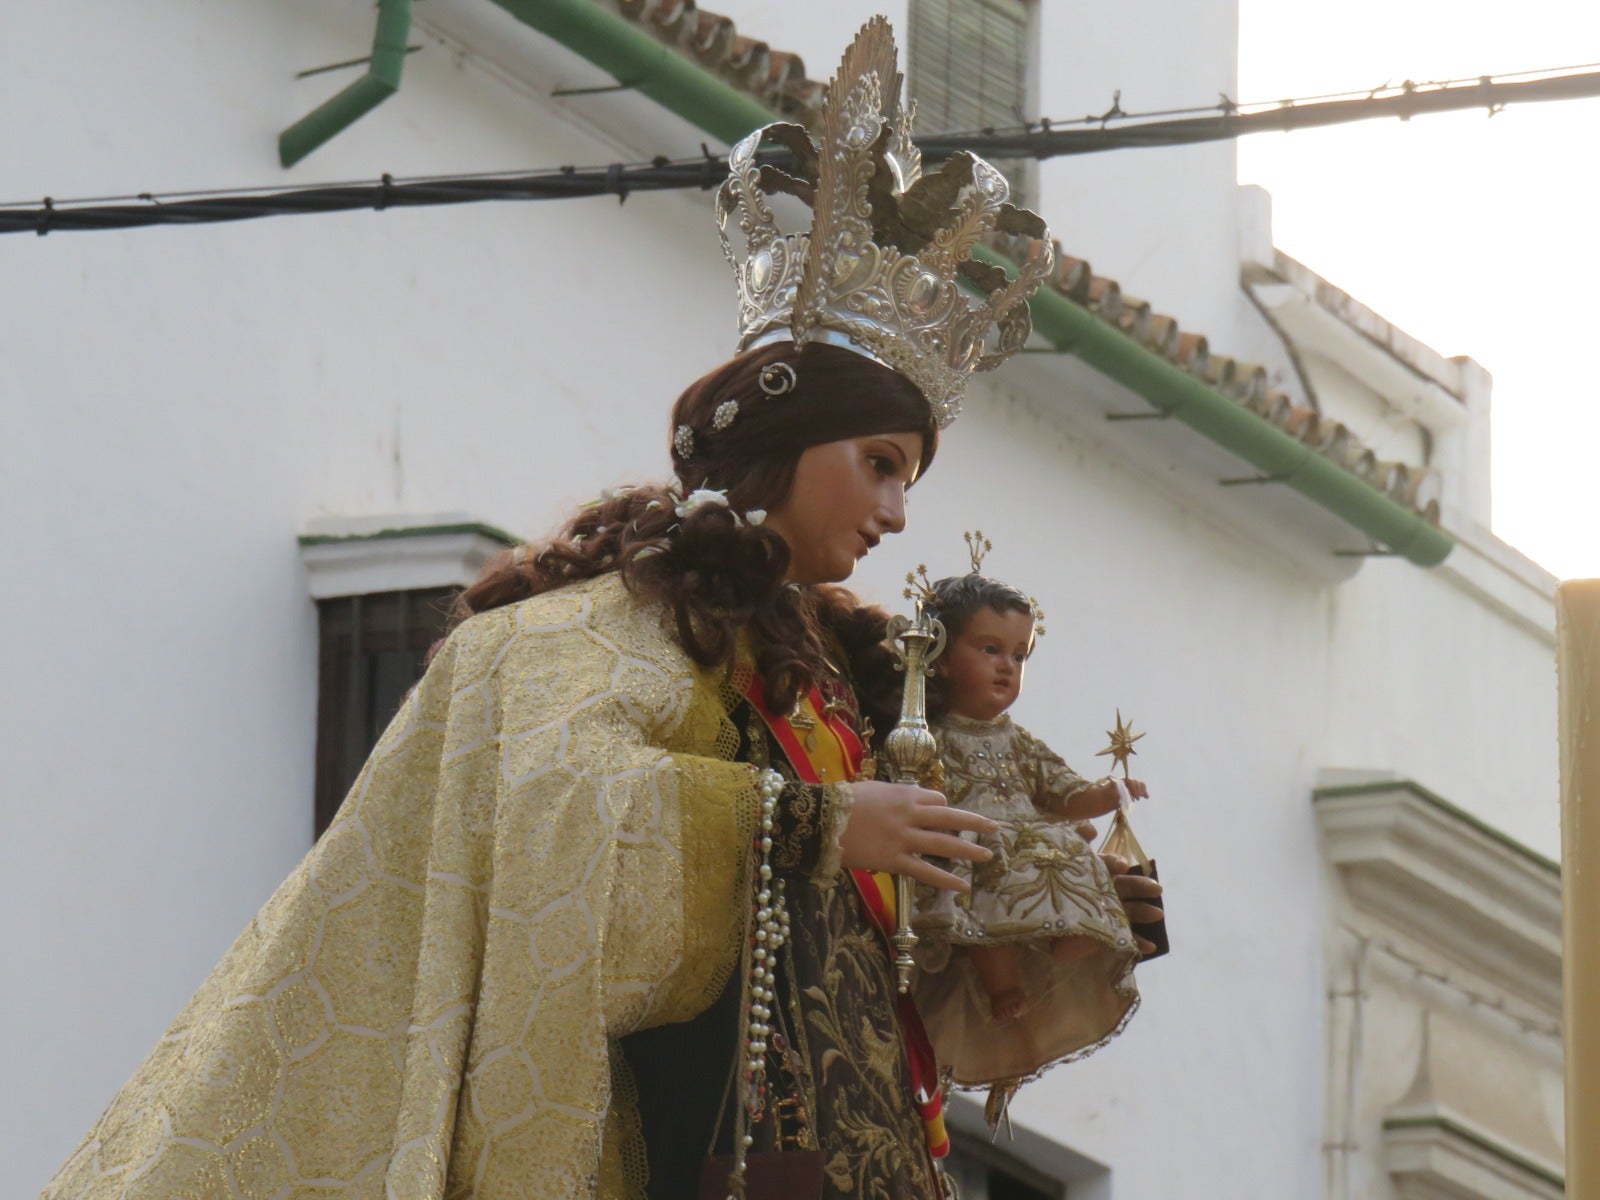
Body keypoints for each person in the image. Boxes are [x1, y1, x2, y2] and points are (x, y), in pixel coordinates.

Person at [40, 18, 1160, 1200]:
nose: (893, 514)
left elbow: (882, 946)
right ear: (785, 443)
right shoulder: (623, 620)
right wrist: (813, 823)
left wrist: (1059, 889)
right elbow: (559, 820)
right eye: (878, 463)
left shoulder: (847, 673)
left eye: (907, 478)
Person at [909, 563, 1145, 1112]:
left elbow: (1063, 793)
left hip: (1027, 840)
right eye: (990, 649)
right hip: (974, 843)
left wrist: (1109, 793)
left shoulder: (1018, 742)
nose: (1007, 667)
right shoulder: (928, 736)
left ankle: (1074, 937)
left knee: (1075, 852)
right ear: (940, 659)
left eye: (1019, 656)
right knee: (985, 870)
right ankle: (1003, 984)